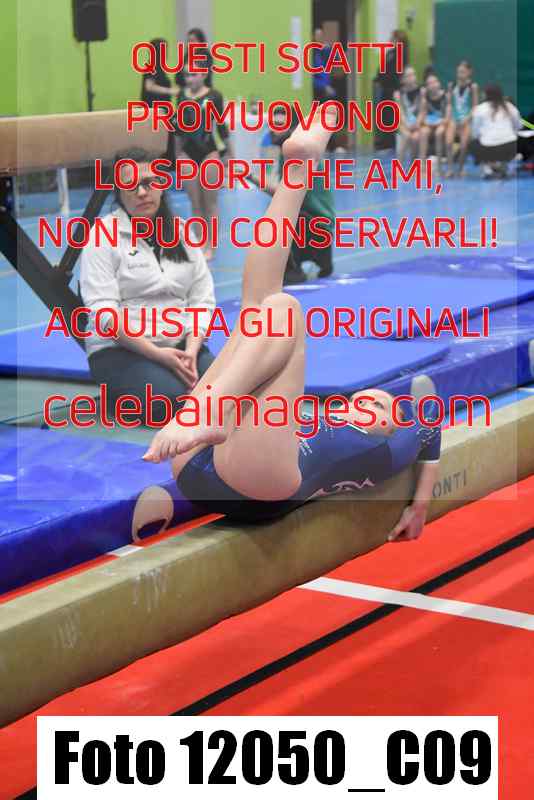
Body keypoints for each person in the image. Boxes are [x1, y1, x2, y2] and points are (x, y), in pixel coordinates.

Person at [143, 112, 441, 543]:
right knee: (259, 308)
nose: (364, 401)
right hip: (201, 460)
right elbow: (427, 417)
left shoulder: (387, 449)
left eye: (379, 407)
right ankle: (298, 171)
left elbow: (428, 422)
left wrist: (421, 504)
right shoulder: (321, 421)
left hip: (261, 486)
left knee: (283, 308)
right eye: (363, 399)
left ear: (388, 428)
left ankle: (208, 412)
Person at [80, 147, 216, 425]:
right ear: (119, 192)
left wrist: (191, 350)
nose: (142, 192)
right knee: (171, 404)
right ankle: (116, 396)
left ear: (163, 185)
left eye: (150, 182)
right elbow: (104, 315)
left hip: (179, 344)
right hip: (121, 350)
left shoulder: (181, 231)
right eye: (131, 185)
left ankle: (164, 378)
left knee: (226, 393)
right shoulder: (102, 236)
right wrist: (158, 355)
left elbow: (202, 299)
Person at [169, 67, 232, 261]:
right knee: (195, 203)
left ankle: (211, 246)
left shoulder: (214, 96)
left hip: (209, 153)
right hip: (187, 154)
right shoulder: (181, 96)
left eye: (194, 74)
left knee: (210, 203)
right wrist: (176, 156)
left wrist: (230, 155)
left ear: (204, 75)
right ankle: (200, 244)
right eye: (187, 75)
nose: (189, 79)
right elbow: (177, 128)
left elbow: (221, 127)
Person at [471, 84, 520, 179]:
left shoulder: (480, 109)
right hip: (510, 147)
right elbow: (518, 126)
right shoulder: (510, 107)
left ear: (486, 95)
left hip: (488, 149)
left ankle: (488, 169)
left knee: (473, 143)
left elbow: (475, 132)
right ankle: (502, 166)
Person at [445, 61, 479, 177]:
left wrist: (467, 120)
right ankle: (450, 168)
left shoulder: (473, 86)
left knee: (464, 145)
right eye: (459, 72)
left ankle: (460, 168)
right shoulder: (452, 85)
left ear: (469, 72)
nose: (460, 74)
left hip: (466, 119)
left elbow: (475, 107)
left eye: (463, 72)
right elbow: (449, 104)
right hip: (454, 119)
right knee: (448, 142)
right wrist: (449, 118)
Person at [394, 66, 425, 163]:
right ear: (403, 80)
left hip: (417, 123)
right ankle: (399, 165)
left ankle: (413, 164)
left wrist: (417, 124)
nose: (412, 77)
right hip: (404, 123)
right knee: (406, 136)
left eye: (413, 75)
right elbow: (400, 112)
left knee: (415, 138)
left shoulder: (422, 91)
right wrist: (407, 125)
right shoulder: (398, 94)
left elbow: (422, 111)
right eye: (408, 76)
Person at [420, 73, 449, 172]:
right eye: (430, 83)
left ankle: (439, 164)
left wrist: (439, 123)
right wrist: (427, 123)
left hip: (442, 124)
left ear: (439, 83)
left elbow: (447, 117)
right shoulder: (425, 99)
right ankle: (422, 164)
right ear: (427, 87)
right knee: (423, 132)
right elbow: (422, 116)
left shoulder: (445, 96)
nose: (433, 85)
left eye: (435, 82)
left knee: (439, 132)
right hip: (429, 124)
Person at [141, 38, 180, 107]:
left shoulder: (159, 67)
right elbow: (149, 87)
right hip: (154, 108)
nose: (167, 53)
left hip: (160, 107)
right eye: (165, 50)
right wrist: (170, 91)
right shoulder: (152, 66)